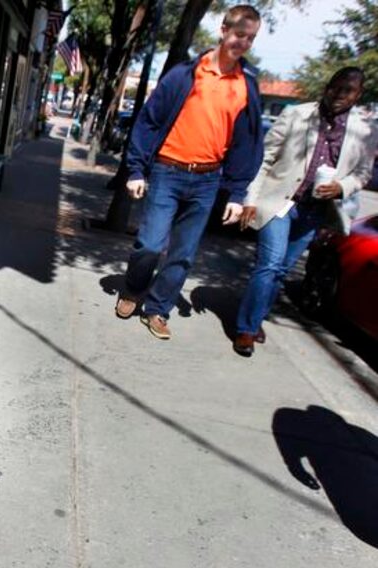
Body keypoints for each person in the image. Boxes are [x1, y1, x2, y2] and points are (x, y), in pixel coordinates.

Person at [114, 4, 265, 340]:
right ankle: (133, 288)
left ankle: (157, 309)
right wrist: (137, 170)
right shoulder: (185, 73)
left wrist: (238, 193)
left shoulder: (247, 84)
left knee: (183, 254)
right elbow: (149, 120)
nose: (243, 43)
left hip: (207, 180)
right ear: (224, 30)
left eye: (251, 39)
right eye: (239, 34)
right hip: (168, 170)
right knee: (150, 245)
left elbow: (249, 142)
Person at [229, 67, 378, 357]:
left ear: (357, 95)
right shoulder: (297, 114)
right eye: (336, 87)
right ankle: (246, 329)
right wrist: (250, 198)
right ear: (328, 86)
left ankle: (256, 317)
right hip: (280, 202)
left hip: (316, 211)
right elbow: (266, 157)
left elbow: (362, 174)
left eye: (348, 90)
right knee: (270, 264)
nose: (339, 94)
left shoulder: (366, 130)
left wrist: (341, 186)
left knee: (282, 269)